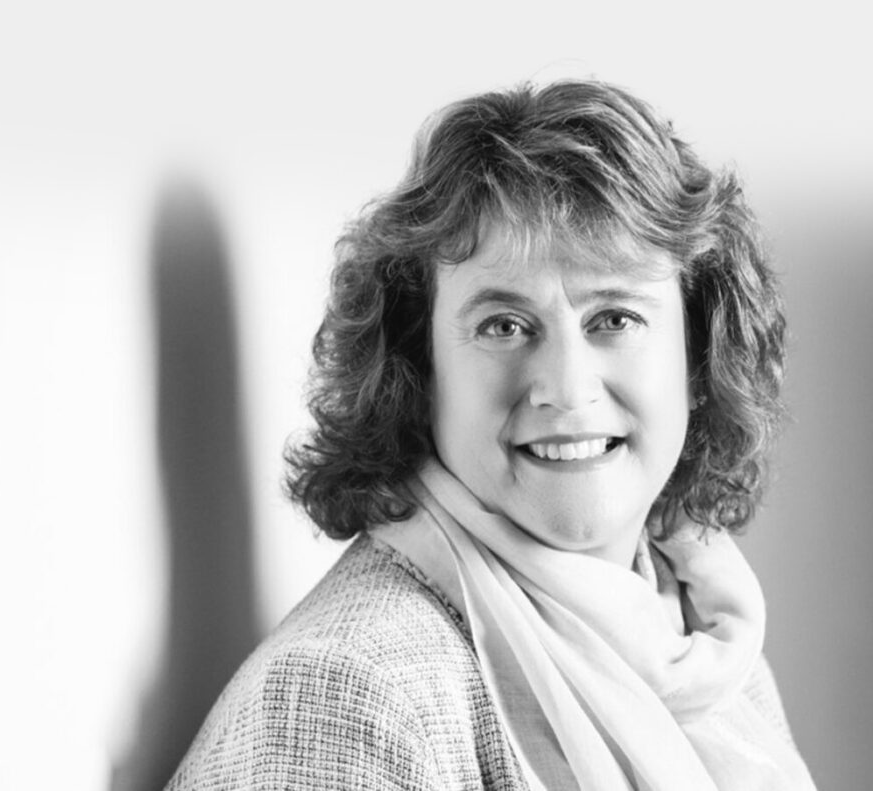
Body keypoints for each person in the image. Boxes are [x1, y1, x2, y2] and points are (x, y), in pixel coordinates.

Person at [165, 80, 817, 790]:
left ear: (696, 357)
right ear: (419, 370)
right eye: (503, 325)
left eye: (615, 319)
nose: (566, 387)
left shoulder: (708, 650)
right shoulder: (350, 695)